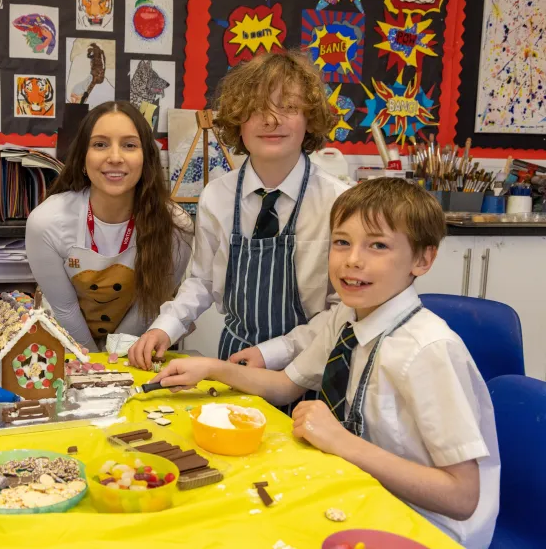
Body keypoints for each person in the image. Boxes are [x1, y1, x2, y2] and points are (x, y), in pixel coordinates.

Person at [151, 179, 499, 548]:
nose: (353, 260)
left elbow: (461, 497)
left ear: (422, 260)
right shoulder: (347, 316)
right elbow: (286, 384)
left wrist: (340, 442)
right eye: (341, 242)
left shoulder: (429, 350)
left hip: (423, 525)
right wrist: (211, 368)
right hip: (359, 488)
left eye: (377, 245)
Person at [129, 51, 347, 383]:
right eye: (257, 109)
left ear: (311, 119)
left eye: (288, 107)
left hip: (312, 366)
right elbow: (201, 281)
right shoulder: (216, 197)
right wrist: (165, 327)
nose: (271, 121)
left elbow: (342, 310)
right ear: (237, 121)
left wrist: (274, 351)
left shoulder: (339, 203)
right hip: (234, 363)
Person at [26, 101, 193, 352]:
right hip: (64, 344)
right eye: (100, 144)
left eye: (129, 145)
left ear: (146, 158)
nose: (115, 158)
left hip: (135, 348)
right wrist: (94, 364)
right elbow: (65, 309)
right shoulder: (46, 221)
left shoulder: (176, 227)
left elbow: (147, 307)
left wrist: (111, 361)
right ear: (83, 158)